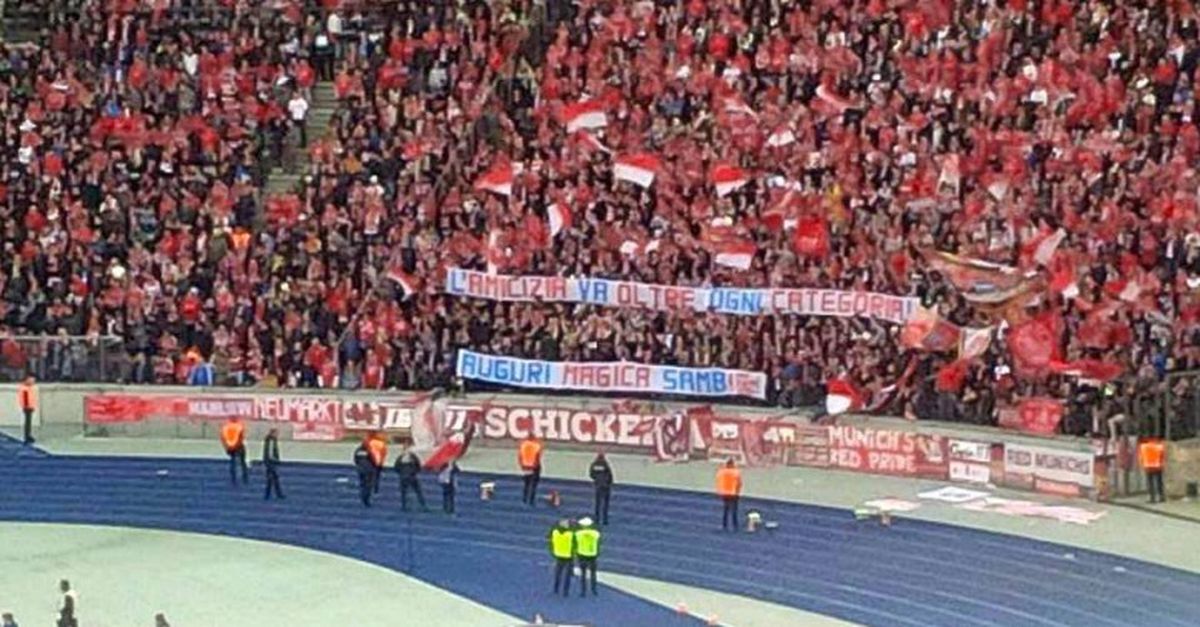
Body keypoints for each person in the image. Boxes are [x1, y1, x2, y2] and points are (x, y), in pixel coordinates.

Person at [394, 444, 428, 511]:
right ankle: (404, 506)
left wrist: (413, 472)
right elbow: (396, 467)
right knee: (404, 492)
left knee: (418, 491)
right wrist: (402, 473)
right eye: (406, 449)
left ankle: (423, 505)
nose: (407, 450)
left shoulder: (413, 457)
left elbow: (418, 466)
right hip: (404, 477)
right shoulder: (400, 458)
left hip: (412, 477)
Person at [574, 517, 601, 597]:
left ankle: (583, 591)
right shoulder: (595, 534)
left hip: (582, 554)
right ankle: (594, 589)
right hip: (592, 554)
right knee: (593, 573)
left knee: (583, 573)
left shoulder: (578, 534)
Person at [548, 519, 575, 597]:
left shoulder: (555, 533)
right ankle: (565, 590)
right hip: (568, 555)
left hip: (558, 554)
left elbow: (552, 531)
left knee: (558, 572)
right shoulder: (570, 534)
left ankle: (556, 588)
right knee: (567, 575)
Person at [220, 417, 249, 485]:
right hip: (239, 446)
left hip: (230, 446)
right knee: (242, 462)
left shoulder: (225, 427)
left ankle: (233, 480)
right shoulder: (239, 426)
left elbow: (223, 438)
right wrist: (237, 445)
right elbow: (241, 437)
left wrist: (227, 447)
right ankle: (245, 479)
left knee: (233, 463)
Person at [716, 459, 743, 531]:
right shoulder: (736, 472)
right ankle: (735, 526)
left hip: (725, 492)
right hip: (733, 493)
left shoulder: (721, 471)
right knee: (734, 510)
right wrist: (738, 491)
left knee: (725, 510)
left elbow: (718, 480)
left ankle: (724, 525)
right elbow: (739, 483)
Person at [1138, 437, 1166, 503]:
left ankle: (1152, 498)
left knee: (1150, 483)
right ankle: (1161, 497)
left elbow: (1141, 457)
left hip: (1148, 466)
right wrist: (1162, 464)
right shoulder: (1159, 446)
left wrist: (1142, 465)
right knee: (1159, 482)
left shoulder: (1143, 446)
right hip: (1158, 466)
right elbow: (1162, 456)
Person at [589, 452, 613, 525]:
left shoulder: (594, 465)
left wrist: (596, 479)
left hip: (598, 486)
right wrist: (609, 483)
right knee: (605, 504)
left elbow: (591, 474)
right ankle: (605, 520)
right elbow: (610, 475)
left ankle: (597, 519)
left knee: (598, 504)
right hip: (606, 486)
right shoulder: (605, 464)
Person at [519, 434, 543, 506]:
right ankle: (531, 500)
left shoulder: (523, 445)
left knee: (526, 483)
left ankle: (525, 498)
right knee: (534, 484)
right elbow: (538, 457)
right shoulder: (537, 445)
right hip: (534, 466)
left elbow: (520, 456)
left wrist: (521, 465)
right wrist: (536, 465)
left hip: (525, 465)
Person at [262, 428, 284, 500]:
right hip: (271, 463)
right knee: (272, 479)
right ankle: (274, 494)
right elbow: (270, 453)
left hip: (269, 462)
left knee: (272, 479)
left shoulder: (269, 440)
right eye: (276, 433)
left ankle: (272, 495)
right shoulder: (271, 440)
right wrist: (276, 460)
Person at [353, 439, 375, 507]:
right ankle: (366, 499)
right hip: (368, 470)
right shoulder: (369, 450)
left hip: (361, 470)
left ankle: (363, 497)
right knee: (368, 486)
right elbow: (373, 459)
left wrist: (359, 465)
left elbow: (355, 459)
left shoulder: (358, 451)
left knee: (362, 484)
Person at [17, 375, 36, 445]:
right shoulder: (24, 389)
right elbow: (26, 399)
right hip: (27, 407)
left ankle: (28, 435)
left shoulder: (29, 388)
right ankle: (27, 436)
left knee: (28, 422)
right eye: (32, 380)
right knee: (27, 422)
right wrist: (27, 406)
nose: (33, 382)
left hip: (29, 406)